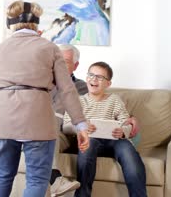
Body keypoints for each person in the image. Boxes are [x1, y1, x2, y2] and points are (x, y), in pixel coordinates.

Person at [0, 0, 90, 197]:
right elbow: (67, 89)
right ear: (37, 23)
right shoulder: (49, 48)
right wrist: (81, 125)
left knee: (3, 173)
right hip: (37, 121)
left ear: (11, 23)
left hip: (4, 121)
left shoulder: (1, 48)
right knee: (36, 179)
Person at [63, 61, 147, 197]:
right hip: (90, 140)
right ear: (86, 78)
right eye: (91, 75)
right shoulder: (78, 101)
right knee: (88, 145)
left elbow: (126, 122)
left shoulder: (114, 100)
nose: (94, 79)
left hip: (113, 140)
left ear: (108, 84)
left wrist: (123, 131)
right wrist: (80, 127)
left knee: (128, 153)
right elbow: (66, 126)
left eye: (100, 77)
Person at [49, 44, 88, 196]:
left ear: (75, 65)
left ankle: (54, 179)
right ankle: (54, 179)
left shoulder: (82, 87)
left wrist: (130, 118)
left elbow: (100, 102)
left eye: (64, 61)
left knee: (49, 132)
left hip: (62, 133)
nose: (58, 64)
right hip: (37, 128)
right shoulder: (42, 82)